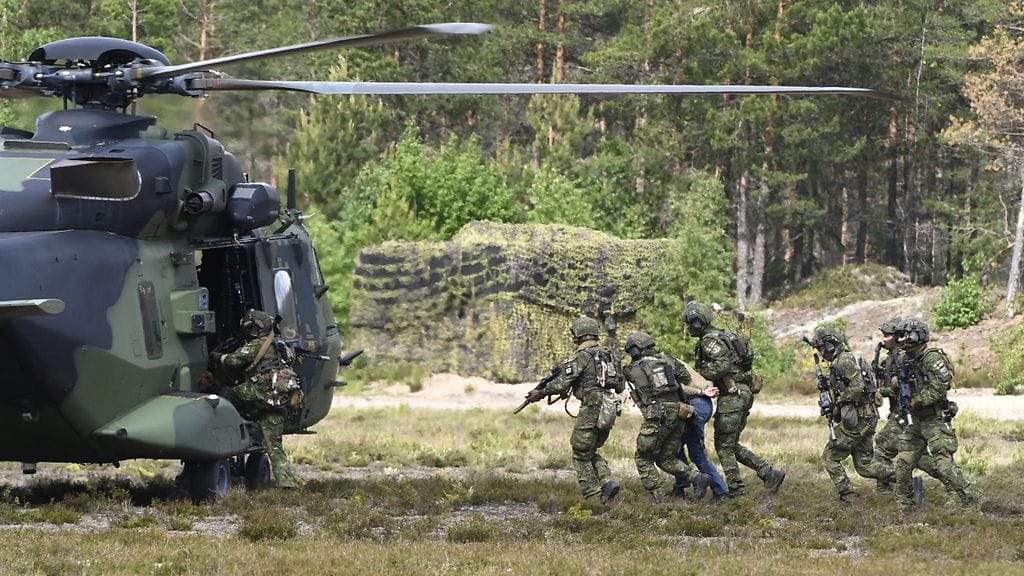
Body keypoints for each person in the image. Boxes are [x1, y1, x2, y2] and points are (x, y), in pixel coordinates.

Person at [683, 300, 785, 497]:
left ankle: (736, 490)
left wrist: (700, 375)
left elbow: (722, 366)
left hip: (732, 396)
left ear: (698, 322)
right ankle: (769, 473)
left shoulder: (709, 340)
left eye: (690, 323)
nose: (688, 328)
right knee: (731, 444)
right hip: (742, 393)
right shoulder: (724, 336)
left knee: (723, 446)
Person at [524, 315, 625, 503]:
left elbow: (561, 383)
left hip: (592, 408)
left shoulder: (582, 357)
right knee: (589, 450)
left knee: (580, 453)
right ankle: (607, 481)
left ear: (578, 335)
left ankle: (593, 496)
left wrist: (540, 392)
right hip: (609, 409)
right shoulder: (610, 356)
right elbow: (620, 386)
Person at [892, 318, 978, 511]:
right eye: (901, 335)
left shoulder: (931, 357)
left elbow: (940, 386)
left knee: (944, 465)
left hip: (934, 419)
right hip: (914, 420)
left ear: (919, 336)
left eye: (907, 335)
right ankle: (905, 506)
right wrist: (895, 382)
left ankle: (970, 501)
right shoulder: (904, 358)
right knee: (903, 462)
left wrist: (918, 400)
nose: (903, 339)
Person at [621, 330, 713, 503]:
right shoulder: (668, 360)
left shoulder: (631, 369)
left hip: (657, 415)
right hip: (679, 413)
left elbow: (621, 384)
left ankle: (659, 499)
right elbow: (686, 379)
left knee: (643, 458)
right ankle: (697, 477)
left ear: (634, 349)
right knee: (666, 459)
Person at [213, 309, 300, 489]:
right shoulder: (283, 346)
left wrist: (218, 356)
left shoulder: (257, 344)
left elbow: (233, 361)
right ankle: (287, 483)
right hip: (278, 400)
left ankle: (230, 428)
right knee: (274, 445)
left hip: (259, 393)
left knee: (225, 394)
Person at [810, 325, 895, 501]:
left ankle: (847, 495)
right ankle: (906, 480)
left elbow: (858, 386)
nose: (820, 353)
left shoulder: (844, 361)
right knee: (865, 466)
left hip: (859, 419)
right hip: (865, 418)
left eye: (821, 348)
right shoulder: (841, 361)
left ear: (830, 345)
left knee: (830, 456)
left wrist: (839, 402)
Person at [871, 317, 935, 500]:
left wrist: (880, 392)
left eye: (888, 335)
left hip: (904, 413)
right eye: (883, 335)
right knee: (918, 456)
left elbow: (903, 387)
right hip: (903, 412)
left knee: (882, 447)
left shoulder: (902, 357)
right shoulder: (894, 357)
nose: (884, 339)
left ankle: (888, 487)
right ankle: (950, 479)